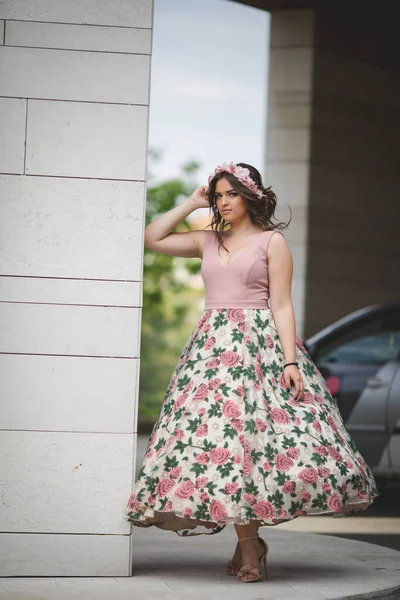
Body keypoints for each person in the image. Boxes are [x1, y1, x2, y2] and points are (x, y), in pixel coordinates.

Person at [124, 162, 379, 583]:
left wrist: (291, 361)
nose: (223, 202)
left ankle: (249, 546)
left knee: (255, 447)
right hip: (210, 352)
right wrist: (191, 202)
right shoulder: (207, 240)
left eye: (231, 194)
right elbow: (152, 238)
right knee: (220, 445)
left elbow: (281, 305)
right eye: (218, 194)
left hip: (260, 350)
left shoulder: (271, 242)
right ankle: (251, 545)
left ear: (251, 196)